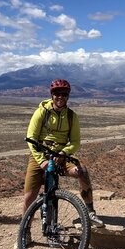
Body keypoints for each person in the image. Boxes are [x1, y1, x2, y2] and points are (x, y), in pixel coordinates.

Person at [23, 78, 104, 227]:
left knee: (82, 171)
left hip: (61, 155)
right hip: (40, 155)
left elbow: (75, 142)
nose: (60, 97)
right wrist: (42, 160)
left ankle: (90, 212)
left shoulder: (72, 117)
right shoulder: (41, 112)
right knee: (29, 196)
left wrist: (63, 153)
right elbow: (31, 139)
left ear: (68, 96)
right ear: (52, 95)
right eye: (57, 94)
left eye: (64, 94)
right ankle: (25, 231)